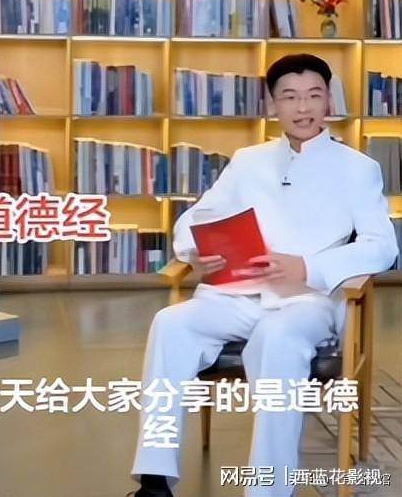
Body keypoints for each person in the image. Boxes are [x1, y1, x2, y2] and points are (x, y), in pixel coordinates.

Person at [128, 54, 399, 497]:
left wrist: (308, 267)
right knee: (170, 324)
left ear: (329, 101)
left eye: (313, 95)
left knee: (277, 338)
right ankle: (154, 480)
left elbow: (382, 247)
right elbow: (198, 218)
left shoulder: (358, 168)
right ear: (273, 105)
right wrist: (196, 250)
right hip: (237, 295)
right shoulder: (248, 161)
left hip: (306, 302)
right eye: (290, 97)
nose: (303, 107)